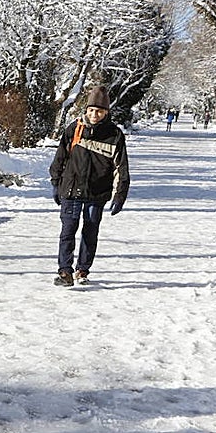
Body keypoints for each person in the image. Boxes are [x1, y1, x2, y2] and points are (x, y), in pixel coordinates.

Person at [49, 86, 130, 286]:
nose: (95, 114)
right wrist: (55, 183)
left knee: (90, 231)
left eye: (100, 111)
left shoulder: (115, 135)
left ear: (106, 112)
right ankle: (65, 272)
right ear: (86, 110)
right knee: (68, 230)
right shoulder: (73, 129)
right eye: (92, 110)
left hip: (97, 193)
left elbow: (121, 168)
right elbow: (60, 158)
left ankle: (83, 270)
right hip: (71, 189)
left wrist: (119, 195)